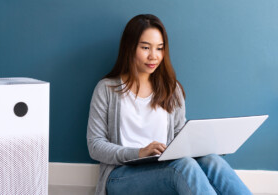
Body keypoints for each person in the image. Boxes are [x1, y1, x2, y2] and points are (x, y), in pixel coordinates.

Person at [87, 14, 252, 195]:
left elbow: (180, 137)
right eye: (145, 47)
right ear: (129, 47)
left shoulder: (171, 89)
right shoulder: (107, 89)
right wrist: (139, 152)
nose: (153, 56)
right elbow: (95, 146)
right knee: (183, 166)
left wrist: (208, 144)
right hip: (121, 176)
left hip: (164, 168)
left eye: (159, 48)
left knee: (212, 160)